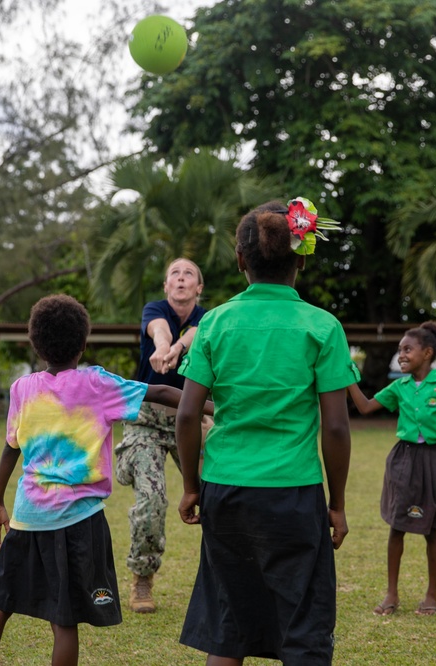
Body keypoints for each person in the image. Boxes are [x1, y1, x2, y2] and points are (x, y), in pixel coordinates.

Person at [0, 294, 210, 666]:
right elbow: (162, 391)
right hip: (77, 520)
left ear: (35, 344)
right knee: (65, 619)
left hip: (27, 517)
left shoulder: (22, 389)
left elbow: (10, 447)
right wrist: (218, 406)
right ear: (83, 344)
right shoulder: (97, 383)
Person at [175, 199, 358, 665]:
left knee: (228, 626)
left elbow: (188, 415)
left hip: (225, 489)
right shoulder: (322, 327)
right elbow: (336, 426)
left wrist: (192, 487)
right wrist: (336, 503)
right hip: (294, 492)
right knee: (304, 628)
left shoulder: (215, 322)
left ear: (240, 259)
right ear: (302, 258)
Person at [348, 322, 436, 618]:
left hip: (435, 461)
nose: (401, 355)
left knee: (432, 529)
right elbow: (365, 407)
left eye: (407, 349)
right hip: (403, 459)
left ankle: (432, 594)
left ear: (427, 353)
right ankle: (391, 593)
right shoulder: (399, 387)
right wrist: (347, 378)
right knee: (397, 525)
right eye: (400, 350)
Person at [114, 257, 206, 613]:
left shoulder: (207, 319)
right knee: (152, 499)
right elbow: (160, 331)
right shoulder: (154, 311)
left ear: (199, 288)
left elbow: (194, 333)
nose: (181, 278)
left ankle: (229, 575)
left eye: (189, 274)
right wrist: (163, 347)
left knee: (220, 494)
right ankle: (142, 577)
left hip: (193, 418)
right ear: (167, 286)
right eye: (174, 274)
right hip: (146, 419)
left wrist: (176, 350)